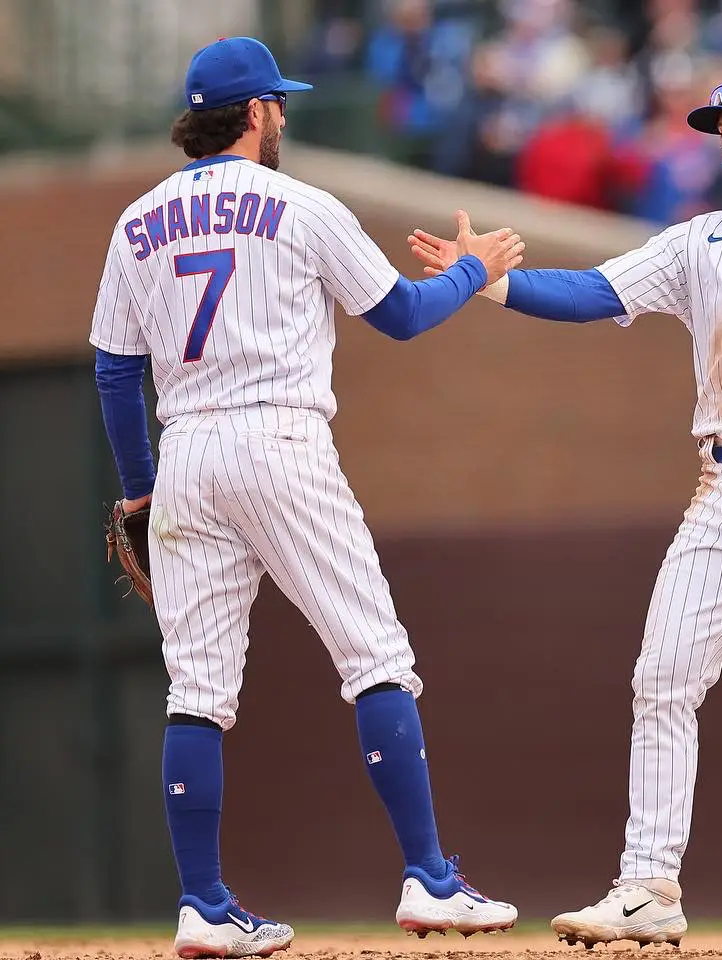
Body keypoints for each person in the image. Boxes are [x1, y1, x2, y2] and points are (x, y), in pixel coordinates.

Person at [409, 70, 722, 951]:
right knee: (662, 677)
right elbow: (597, 293)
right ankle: (648, 886)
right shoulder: (701, 242)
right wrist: (485, 284)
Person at [89, 37, 522, 959]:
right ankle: (430, 878)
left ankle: (203, 901)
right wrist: (472, 270)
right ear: (255, 113)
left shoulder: (136, 222)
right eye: (277, 103)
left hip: (187, 451)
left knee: (196, 689)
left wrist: (139, 491)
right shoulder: (299, 204)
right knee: (375, 657)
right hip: (280, 437)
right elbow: (401, 317)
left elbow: (114, 371)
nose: (282, 115)